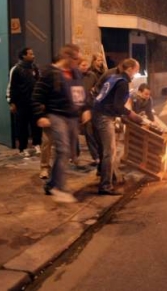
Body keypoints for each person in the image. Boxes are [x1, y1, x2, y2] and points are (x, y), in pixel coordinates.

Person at [32, 44, 88, 203]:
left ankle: (51, 185)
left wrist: (85, 108)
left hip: (72, 116)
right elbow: (37, 96)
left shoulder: (75, 72)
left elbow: (80, 92)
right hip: (56, 115)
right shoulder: (50, 73)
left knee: (68, 152)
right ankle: (60, 188)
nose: (78, 62)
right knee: (62, 150)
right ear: (67, 57)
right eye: (76, 59)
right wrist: (40, 115)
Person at [93, 58, 144, 196]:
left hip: (98, 114)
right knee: (109, 152)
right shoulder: (122, 82)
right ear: (129, 69)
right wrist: (132, 115)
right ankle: (105, 186)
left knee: (106, 151)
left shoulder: (114, 77)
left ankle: (108, 179)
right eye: (136, 70)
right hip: (104, 117)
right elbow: (118, 106)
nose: (136, 73)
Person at [8, 47, 42, 157]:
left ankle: (37, 144)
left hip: (34, 102)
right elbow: (12, 87)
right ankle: (23, 147)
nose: (33, 56)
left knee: (36, 125)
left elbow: (39, 83)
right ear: (24, 56)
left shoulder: (35, 68)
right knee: (22, 126)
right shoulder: (16, 69)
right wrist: (12, 102)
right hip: (21, 103)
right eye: (30, 54)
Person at [78, 58, 100, 166]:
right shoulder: (74, 77)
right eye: (83, 65)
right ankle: (74, 155)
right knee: (73, 134)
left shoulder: (92, 76)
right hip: (76, 109)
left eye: (86, 65)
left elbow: (97, 89)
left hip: (88, 108)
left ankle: (95, 156)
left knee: (89, 133)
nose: (85, 67)